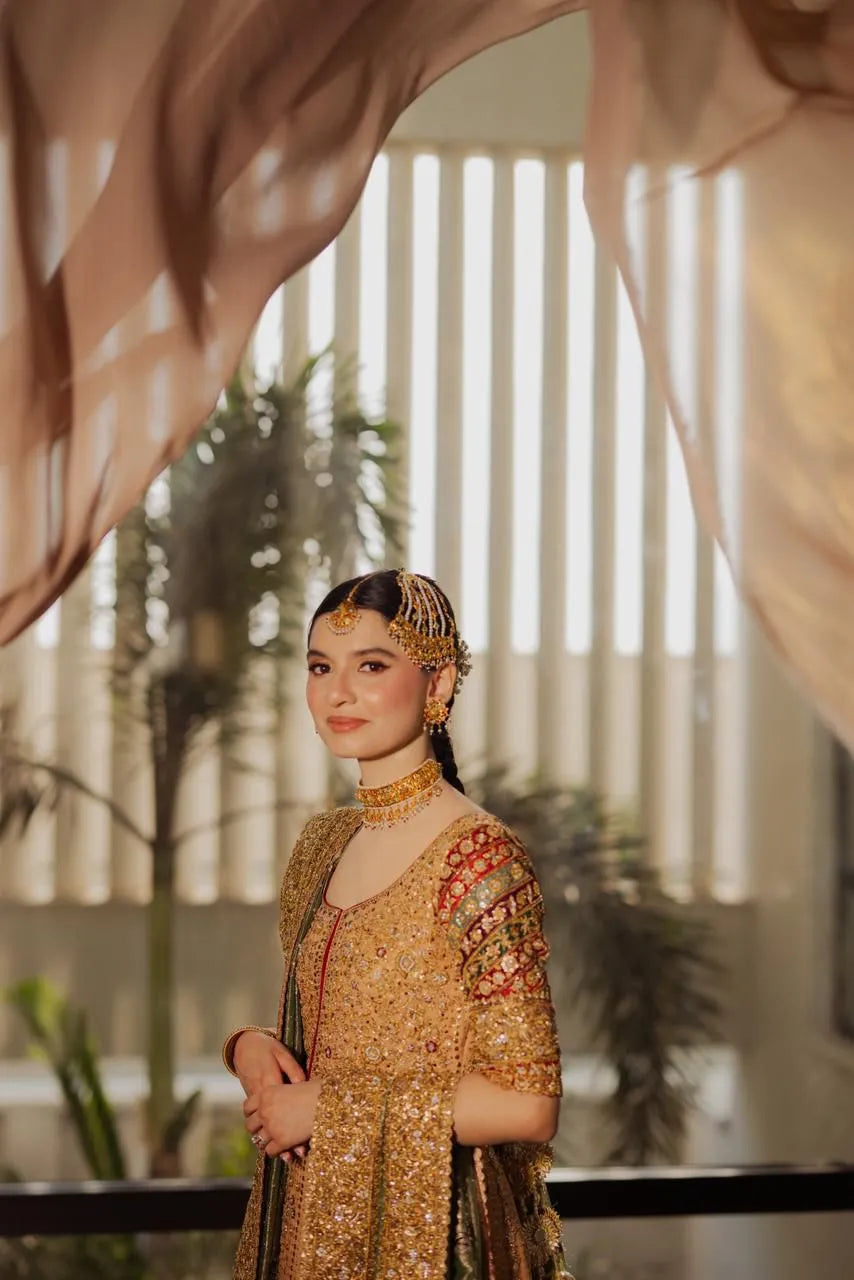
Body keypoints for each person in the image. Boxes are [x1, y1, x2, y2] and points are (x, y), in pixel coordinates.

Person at [222, 568, 570, 1280]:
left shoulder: (478, 857)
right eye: (321, 668)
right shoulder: (322, 844)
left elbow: (528, 1102)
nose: (338, 692)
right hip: (306, 1216)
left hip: (434, 1238)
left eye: (371, 666)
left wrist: (330, 1111)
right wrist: (254, 1049)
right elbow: (332, 1028)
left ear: (437, 686)